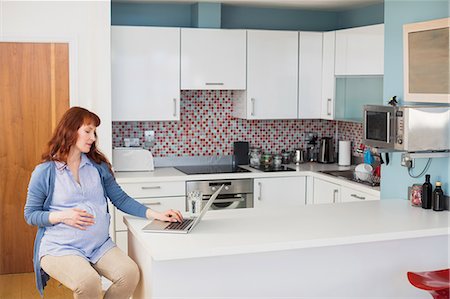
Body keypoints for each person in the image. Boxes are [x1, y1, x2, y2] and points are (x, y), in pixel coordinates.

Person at [24, 106, 183, 298]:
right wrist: (63, 216)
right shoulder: (45, 172)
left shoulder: (97, 167)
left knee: (129, 274)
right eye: (87, 131)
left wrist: (156, 214)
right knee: (88, 282)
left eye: (94, 132)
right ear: (69, 130)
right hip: (60, 247)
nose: (93, 137)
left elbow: (120, 199)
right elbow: (31, 215)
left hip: (99, 245)